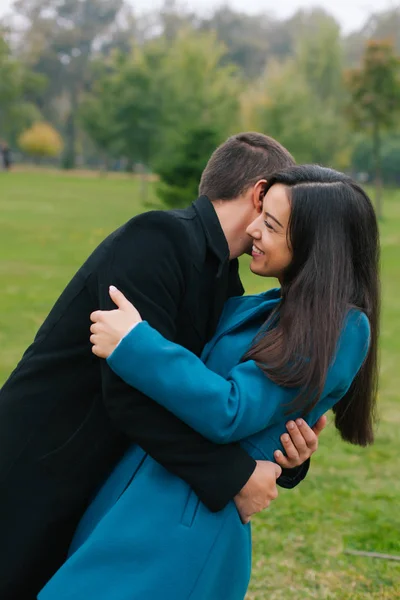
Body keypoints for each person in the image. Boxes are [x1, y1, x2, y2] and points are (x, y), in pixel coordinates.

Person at [0, 133, 323, 600]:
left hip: (105, 478)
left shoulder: (226, 286)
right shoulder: (158, 239)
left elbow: (212, 398)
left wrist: (289, 457)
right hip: (40, 462)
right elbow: (129, 393)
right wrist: (232, 477)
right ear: (259, 193)